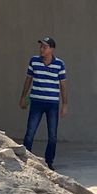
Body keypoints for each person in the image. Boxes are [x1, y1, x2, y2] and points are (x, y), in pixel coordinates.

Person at [19, 36, 68, 169]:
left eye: (45, 47)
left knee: (52, 135)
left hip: (52, 104)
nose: (42, 49)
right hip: (36, 102)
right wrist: (23, 97)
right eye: (41, 46)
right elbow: (28, 79)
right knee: (30, 132)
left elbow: (63, 85)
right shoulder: (34, 61)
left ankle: (49, 162)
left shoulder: (59, 64)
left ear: (51, 49)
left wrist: (64, 104)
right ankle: (25, 159)